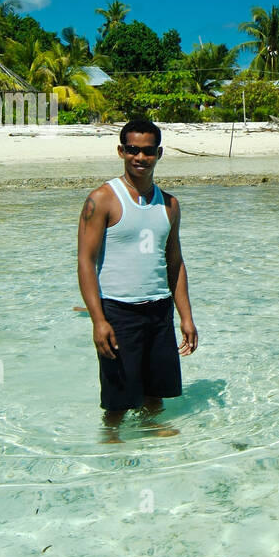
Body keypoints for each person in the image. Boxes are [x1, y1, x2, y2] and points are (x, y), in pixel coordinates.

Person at [76, 118, 197, 435]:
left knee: (155, 396)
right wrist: (98, 320)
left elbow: (175, 262)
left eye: (147, 151)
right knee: (117, 402)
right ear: (121, 151)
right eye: (132, 150)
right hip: (118, 311)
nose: (140, 158)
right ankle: (111, 444)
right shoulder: (101, 199)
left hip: (159, 310)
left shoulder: (170, 205)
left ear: (159, 153)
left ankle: (153, 442)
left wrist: (185, 317)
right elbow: (85, 262)